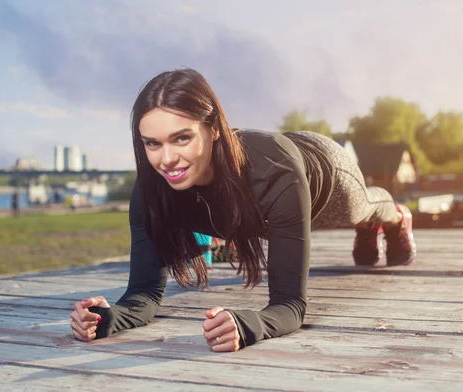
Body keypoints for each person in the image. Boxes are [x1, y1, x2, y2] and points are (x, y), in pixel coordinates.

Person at [69, 68, 417, 351]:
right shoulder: (151, 188)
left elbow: (290, 306)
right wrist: (107, 318)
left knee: (365, 207)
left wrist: (249, 324)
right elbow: (143, 294)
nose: (167, 159)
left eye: (182, 138)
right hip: (269, 196)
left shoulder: (273, 172)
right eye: (152, 144)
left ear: (215, 129)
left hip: (323, 174)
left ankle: (396, 217)